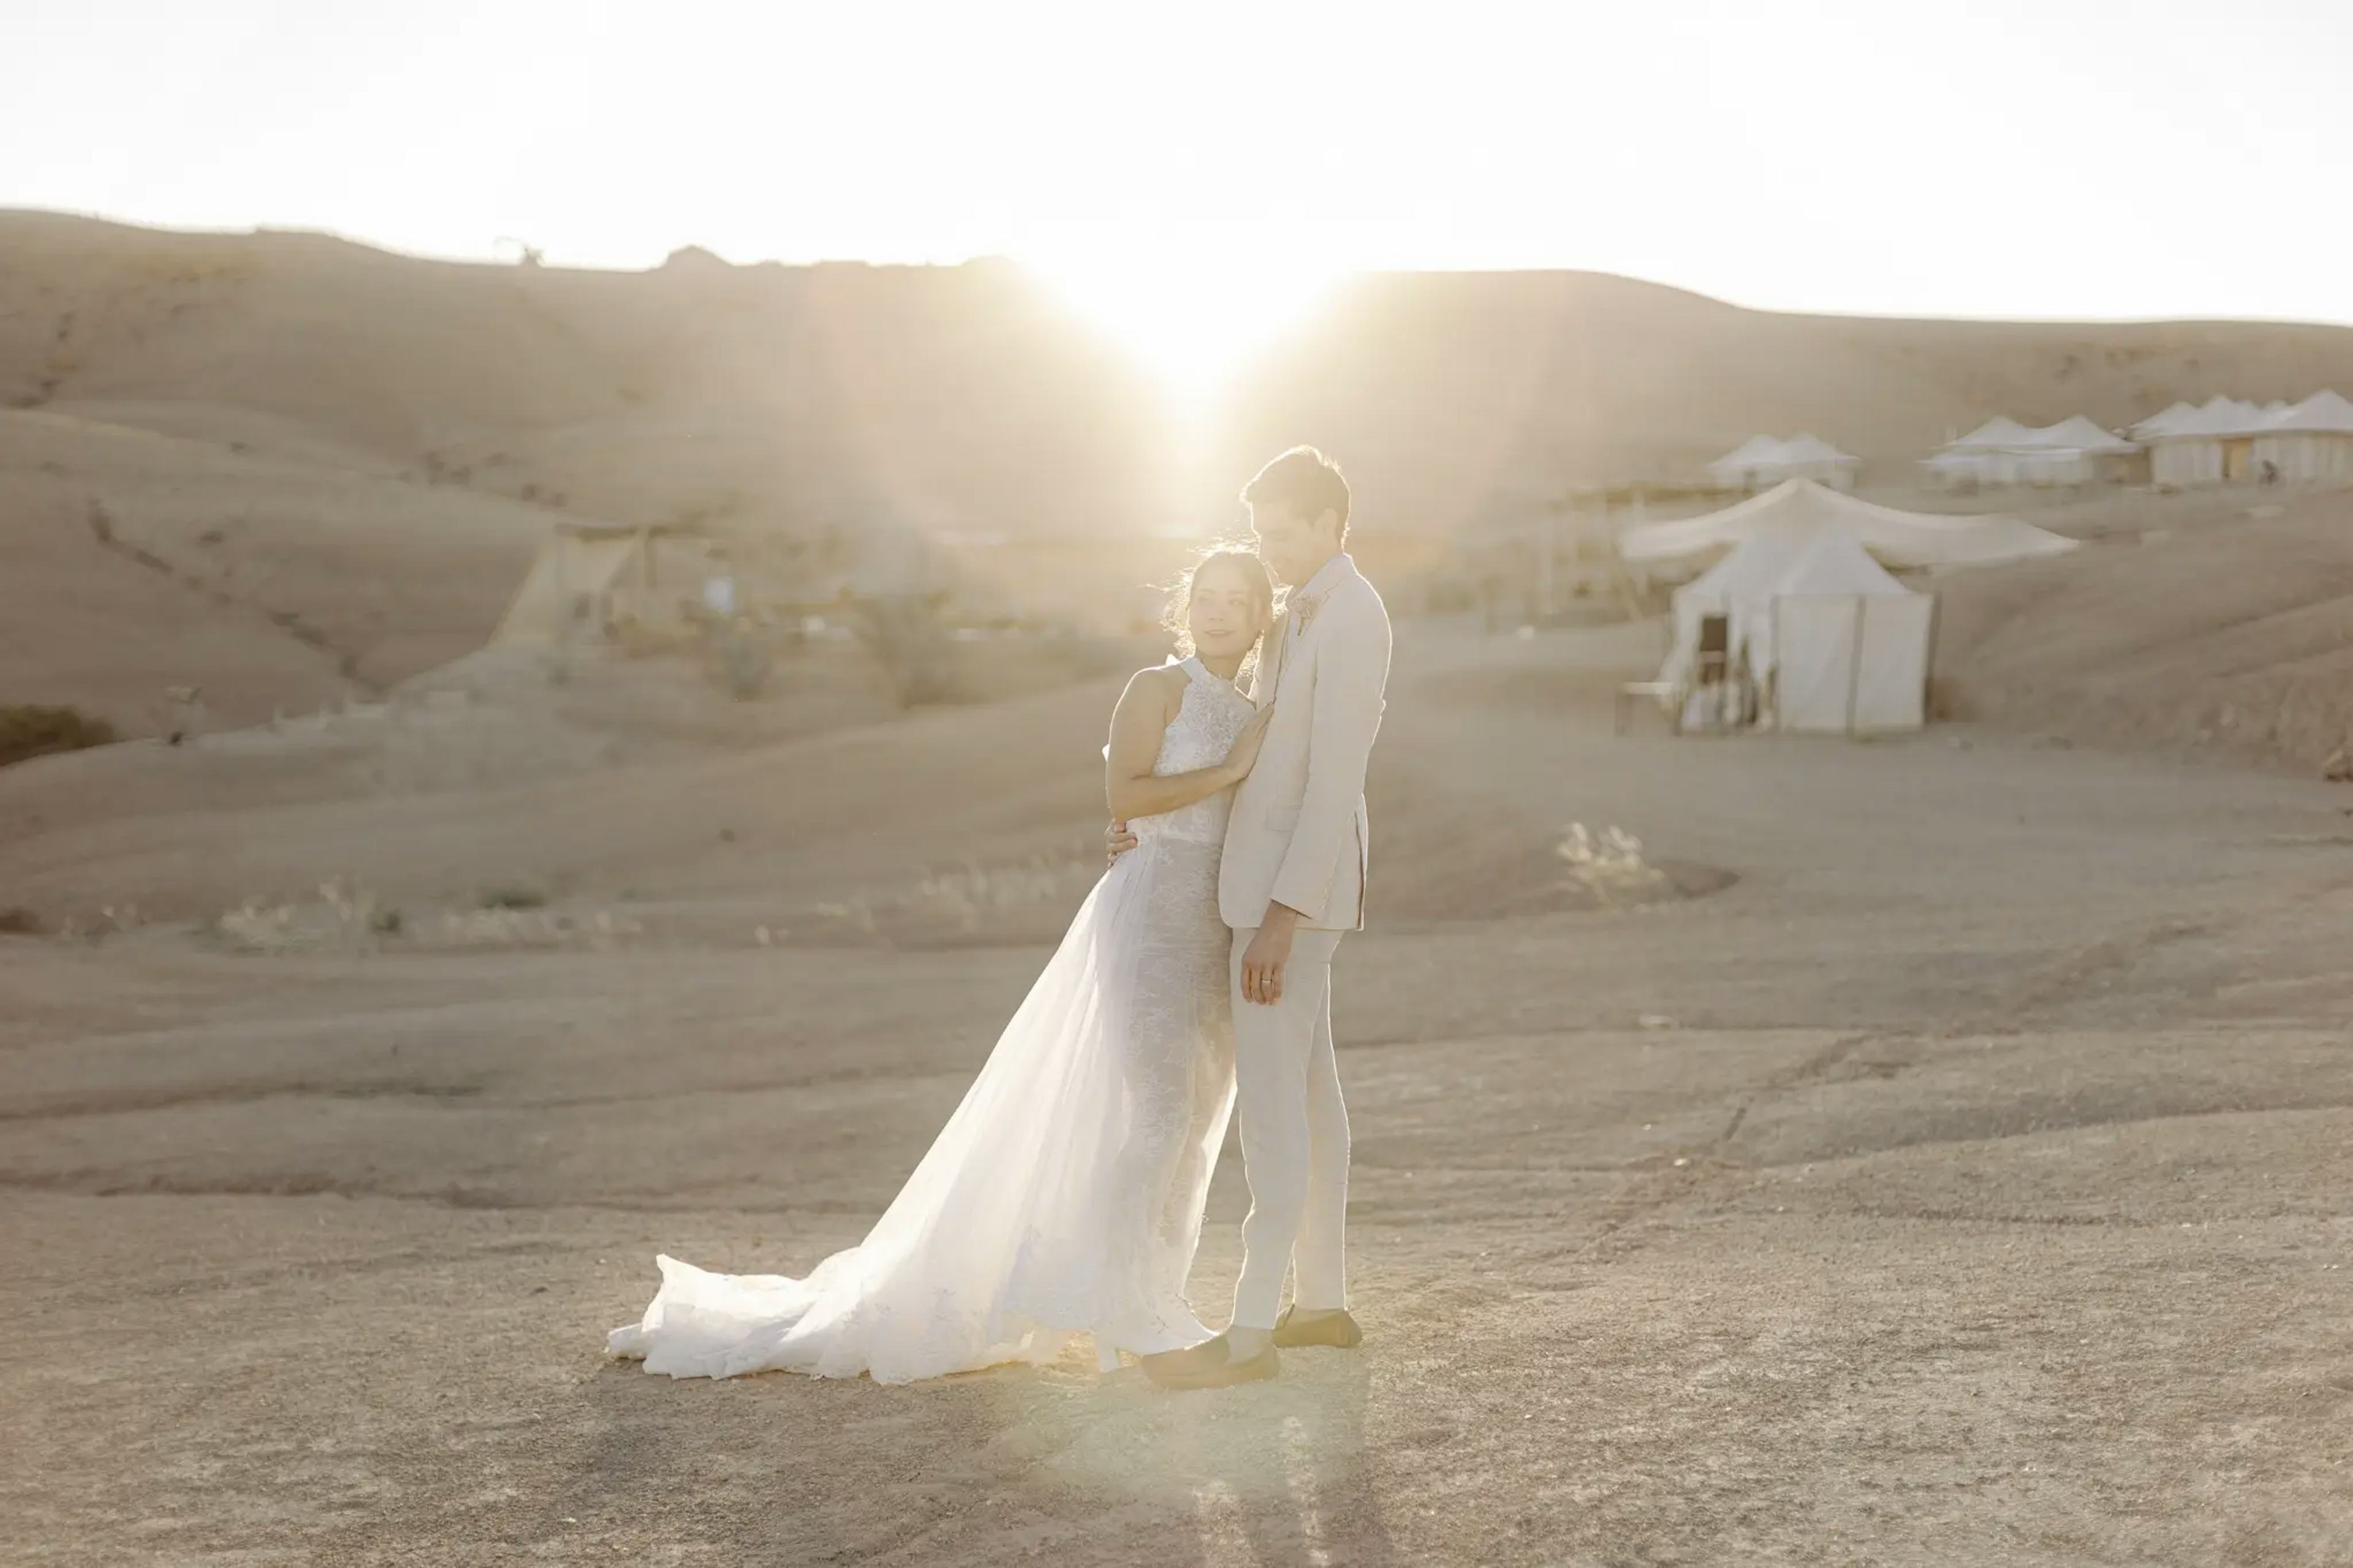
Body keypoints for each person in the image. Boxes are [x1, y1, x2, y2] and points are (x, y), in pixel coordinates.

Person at [606, 548, 1278, 1383]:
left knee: (1198, 1120)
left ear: (1260, 617)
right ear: (1187, 609)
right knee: (1159, 1115)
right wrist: (1229, 770)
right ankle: (1122, 1308)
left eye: (1237, 601)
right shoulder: (1158, 687)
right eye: (1205, 598)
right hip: (1149, 916)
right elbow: (1125, 799)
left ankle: (1161, 1296)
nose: (1218, 613)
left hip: (1215, 926)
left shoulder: (1254, 702)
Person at [1111, 447, 1395, 1390]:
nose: (1269, 554)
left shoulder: (1353, 616)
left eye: (1282, 534)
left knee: (1270, 1113)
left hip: (1290, 901)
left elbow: (1334, 780)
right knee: (1313, 1100)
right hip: (1262, 887)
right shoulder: (1301, 610)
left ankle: (1245, 1335)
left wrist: (1282, 914)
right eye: (1263, 533)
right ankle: (1321, 1304)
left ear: (1329, 524)